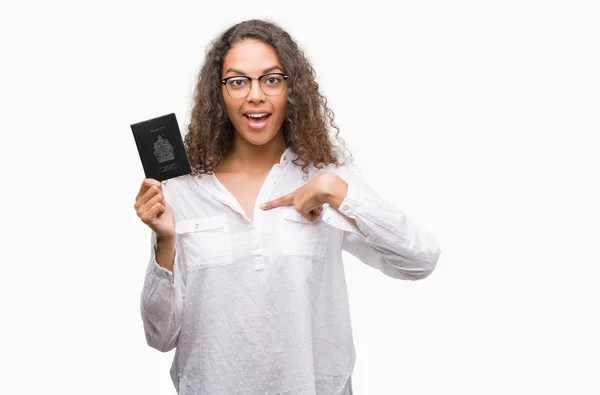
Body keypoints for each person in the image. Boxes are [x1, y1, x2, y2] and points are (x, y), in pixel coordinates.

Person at [134, 19, 441, 395]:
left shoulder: (326, 179)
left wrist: (334, 191)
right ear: (219, 95)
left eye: (272, 79)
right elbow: (160, 336)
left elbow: (420, 261)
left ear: (291, 89)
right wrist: (164, 242)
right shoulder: (182, 191)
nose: (256, 95)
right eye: (237, 81)